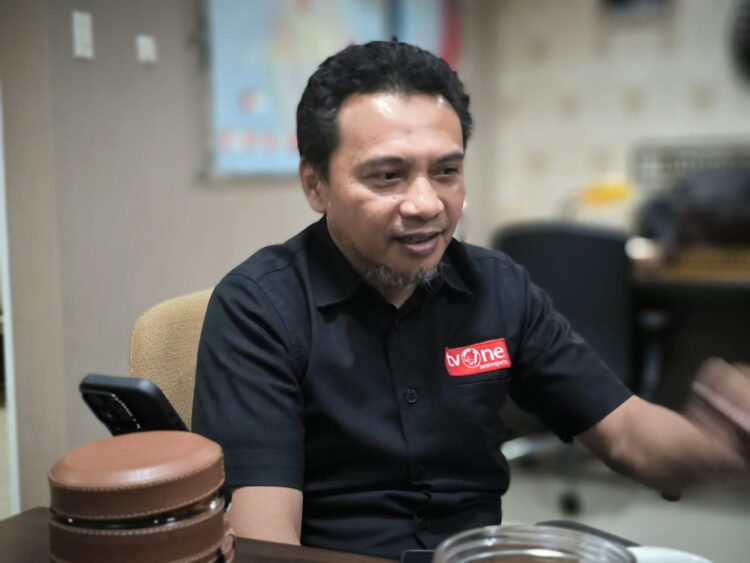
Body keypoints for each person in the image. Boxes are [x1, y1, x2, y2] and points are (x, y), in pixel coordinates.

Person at [192, 41, 749, 559]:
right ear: (315, 185)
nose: (427, 204)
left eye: (446, 171)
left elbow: (626, 432)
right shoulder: (259, 310)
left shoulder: (498, 287)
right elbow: (267, 548)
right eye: (387, 176)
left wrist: (719, 443)